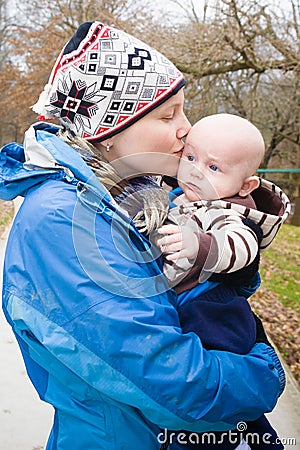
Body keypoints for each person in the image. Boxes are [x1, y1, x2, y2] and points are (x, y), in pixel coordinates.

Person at [0, 21, 285, 450]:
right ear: (106, 130)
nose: (186, 128)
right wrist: (264, 371)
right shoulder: (60, 221)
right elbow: (173, 385)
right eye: (168, 115)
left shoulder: (133, 193)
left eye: (184, 111)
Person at [152, 114, 291, 449]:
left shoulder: (230, 212)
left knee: (222, 384)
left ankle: (244, 438)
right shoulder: (185, 196)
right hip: (185, 303)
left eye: (213, 168)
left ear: (245, 185)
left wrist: (198, 245)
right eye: (190, 157)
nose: (195, 171)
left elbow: (242, 247)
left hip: (212, 308)